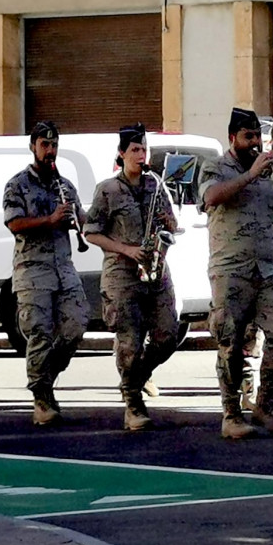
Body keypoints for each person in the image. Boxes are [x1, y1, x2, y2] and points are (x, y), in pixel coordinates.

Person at [198, 108, 273, 440]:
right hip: (231, 270)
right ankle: (231, 414)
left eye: (257, 136)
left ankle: (264, 403)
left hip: (268, 268)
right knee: (230, 342)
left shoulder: (270, 172)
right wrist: (251, 175)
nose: (254, 143)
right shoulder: (216, 167)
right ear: (232, 138)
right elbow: (211, 197)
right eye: (247, 136)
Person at [84, 123, 181, 431]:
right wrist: (125, 249)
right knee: (130, 340)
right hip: (122, 273)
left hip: (155, 268)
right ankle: (133, 403)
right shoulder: (107, 189)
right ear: (122, 154)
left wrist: (169, 222)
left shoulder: (155, 184)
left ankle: (137, 377)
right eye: (135, 150)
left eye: (144, 150)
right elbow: (91, 232)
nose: (141, 156)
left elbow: (173, 223)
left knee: (168, 333)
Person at [2, 121, 90, 425]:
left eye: (53, 146)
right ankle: (41, 398)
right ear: (33, 147)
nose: (50, 151)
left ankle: (44, 379)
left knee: (76, 325)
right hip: (33, 272)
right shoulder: (17, 185)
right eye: (44, 145)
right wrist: (50, 220)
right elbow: (15, 224)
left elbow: (83, 218)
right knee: (39, 334)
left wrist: (80, 222)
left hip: (64, 269)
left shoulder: (65, 185)